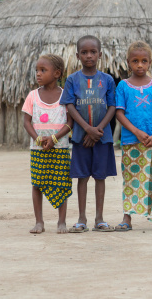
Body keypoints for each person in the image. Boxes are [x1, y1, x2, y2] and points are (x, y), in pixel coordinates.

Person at [61, 35, 117, 233]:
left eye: (93, 52)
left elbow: (112, 106)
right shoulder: (72, 80)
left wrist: (98, 130)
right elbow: (70, 105)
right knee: (82, 177)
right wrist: (87, 129)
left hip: (102, 137)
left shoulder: (108, 80)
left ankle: (99, 218)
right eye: (84, 52)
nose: (89, 56)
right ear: (77, 56)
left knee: (100, 177)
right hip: (80, 137)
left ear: (100, 55)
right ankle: (82, 218)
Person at [114, 41, 152, 232]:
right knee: (131, 178)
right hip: (131, 141)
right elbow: (119, 113)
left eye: (144, 61)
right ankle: (127, 217)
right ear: (128, 63)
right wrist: (137, 132)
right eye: (135, 61)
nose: (140, 65)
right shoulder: (122, 86)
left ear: (150, 63)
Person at [22, 54, 73, 234]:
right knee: (37, 183)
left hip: (60, 148)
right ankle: (39, 222)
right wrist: (38, 138)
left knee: (62, 183)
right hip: (38, 148)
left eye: (43, 70)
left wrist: (54, 138)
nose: (38, 74)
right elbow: (27, 122)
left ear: (57, 73)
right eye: (37, 70)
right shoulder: (32, 96)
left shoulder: (65, 96)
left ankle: (62, 222)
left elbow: (70, 123)